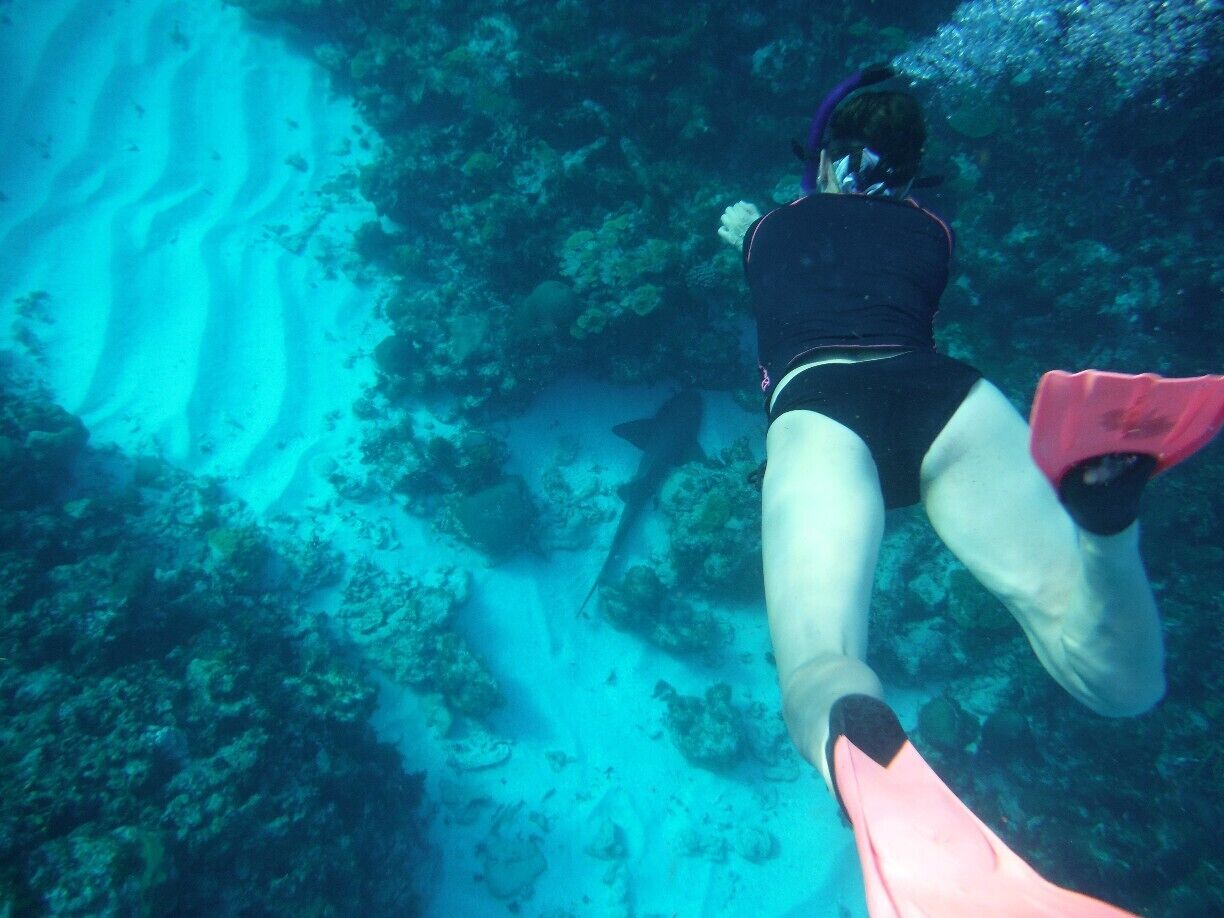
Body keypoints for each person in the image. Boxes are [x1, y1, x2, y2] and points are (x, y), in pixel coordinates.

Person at [717, 65, 1224, 916]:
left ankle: (862, 748)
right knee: (1121, 687)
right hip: (949, 399)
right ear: (913, 174)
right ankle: (1105, 527)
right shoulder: (932, 235)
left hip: (820, 407)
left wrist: (745, 227)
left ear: (829, 159)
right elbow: (855, 236)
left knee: (819, 665)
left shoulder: (770, 228)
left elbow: (782, 244)